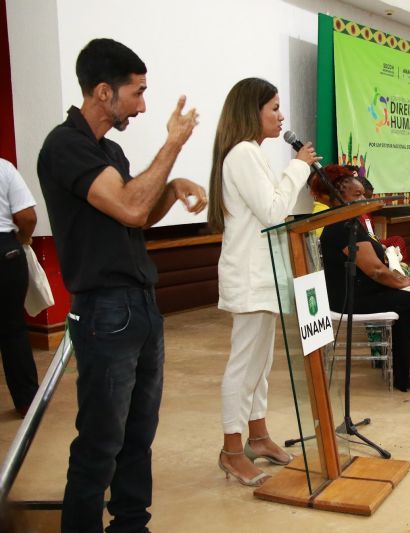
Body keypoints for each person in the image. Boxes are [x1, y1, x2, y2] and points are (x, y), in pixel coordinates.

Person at [37, 38, 206, 532]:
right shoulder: (64, 146)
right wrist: (173, 143)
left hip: (139, 305)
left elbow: (135, 216)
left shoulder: (107, 150)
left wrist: (172, 189)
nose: (144, 104)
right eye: (137, 92)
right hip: (105, 311)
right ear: (104, 92)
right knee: (100, 441)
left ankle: (131, 524)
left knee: (138, 434)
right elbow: (131, 206)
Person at [207, 78, 318, 487]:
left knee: (262, 364)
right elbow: (274, 212)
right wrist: (300, 166)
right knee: (244, 365)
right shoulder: (242, 154)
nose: (282, 116)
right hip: (250, 277)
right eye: (274, 108)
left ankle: (258, 435)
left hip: (263, 277)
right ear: (251, 111)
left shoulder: (251, 155)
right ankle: (232, 450)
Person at [315, 167, 410, 391]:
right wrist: (402, 281)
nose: (363, 199)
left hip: (354, 291)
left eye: (363, 194)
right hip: (348, 298)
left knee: (409, 298)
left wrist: (399, 280)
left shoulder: (345, 222)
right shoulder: (344, 226)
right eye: (357, 195)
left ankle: (408, 362)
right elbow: (375, 270)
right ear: (339, 197)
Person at [0, 158, 39, 418]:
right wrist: (23, 238)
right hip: (5, 251)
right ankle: (27, 403)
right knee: (13, 328)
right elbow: (26, 216)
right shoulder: (3, 167)